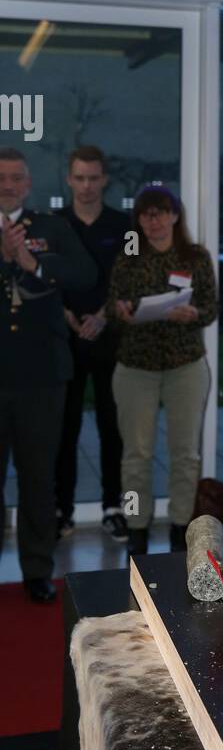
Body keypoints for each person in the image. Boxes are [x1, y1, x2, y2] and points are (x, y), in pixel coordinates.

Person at [0, 147, 96, 601]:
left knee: (39, 476)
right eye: (1, 177)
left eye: (16, 178)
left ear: (29, 184)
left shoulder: (51, 227)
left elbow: (84, 274)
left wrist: (33, 263)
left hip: (42, 376)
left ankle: (37, 570)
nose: (8, 185)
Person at [106, 183, 217, 555]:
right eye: (144, 214)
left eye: (159, 213)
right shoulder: (129, 255)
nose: (151, 221)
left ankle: (179, 530)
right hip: (136, 367)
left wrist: (194, 313)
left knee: (185, 455)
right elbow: (112, 307)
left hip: (184, 366)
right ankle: (136, 530)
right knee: (136, 454)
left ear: (174, 215)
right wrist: (120, 312)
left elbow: (212, 308)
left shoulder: (196, 257)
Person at [55, 145, 130, 542]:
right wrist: (66, 314)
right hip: (64, 342)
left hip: (108, 339)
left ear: (104, 180)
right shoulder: (54, 224)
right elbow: (45, 278)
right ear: (69, 179)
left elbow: (130, 280)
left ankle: (113, 507)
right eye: (79, 178)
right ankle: (61, 509)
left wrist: (103, 315)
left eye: (93, 178)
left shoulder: (122, 225)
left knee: (110, 427)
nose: (86, 186)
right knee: (63, 429)